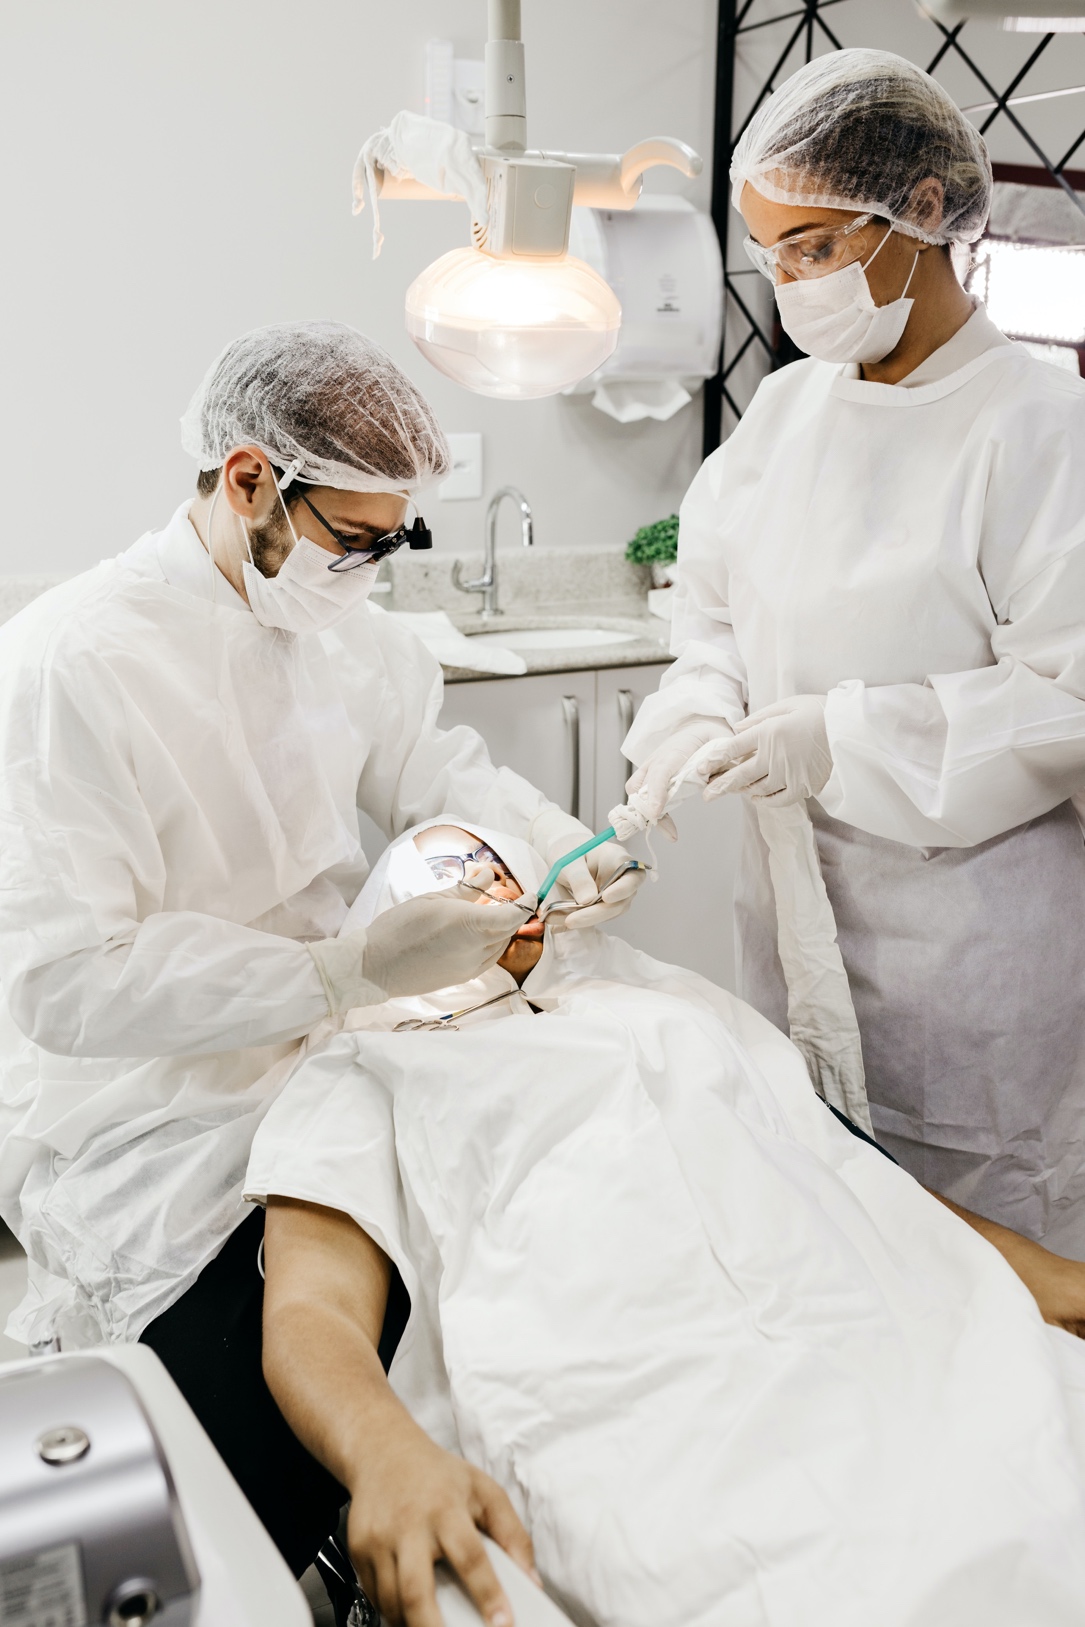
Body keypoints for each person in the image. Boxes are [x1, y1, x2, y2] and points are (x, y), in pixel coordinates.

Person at [0, 321, 643, 1576]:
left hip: (347, 1048)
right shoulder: (74, 663)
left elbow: (435, 772)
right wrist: (333, 972)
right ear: (248, 482)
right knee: (284, 1388)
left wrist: (569, 845)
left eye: (395, 538)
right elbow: (62, 983)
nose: (373, 569)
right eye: (355, 538)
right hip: (153, 1105)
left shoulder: (352, 630)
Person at [247, 819, 1085, 1627]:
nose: (493, 887)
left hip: (862, 1325)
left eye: (498, 866)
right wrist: (382, 1451)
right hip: (624, 1380)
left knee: (1025, 1477)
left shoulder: (646, 998)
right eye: (453, 877)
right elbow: (308, 1307)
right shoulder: (363, 1065)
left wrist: (1027, 1265)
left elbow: (831, 1161)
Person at [624, 48, 1085, 1257]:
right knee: (827, 1236)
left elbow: (1069, 698)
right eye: (770, 255)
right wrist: (690, 712)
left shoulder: (1037, 432)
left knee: (989, 1281)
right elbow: (711, 614)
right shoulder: (785, 413)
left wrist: (836, 737)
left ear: (922, 212)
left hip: (970, 975)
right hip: (790, 933)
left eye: (813, 248)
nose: (788, 286)